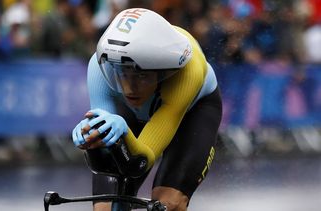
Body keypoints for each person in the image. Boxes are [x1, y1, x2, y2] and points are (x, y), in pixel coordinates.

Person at [72, 8, 222, 211]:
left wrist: (122, 134)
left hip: (193, 113)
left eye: (140, 76)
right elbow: (107, 157)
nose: (129, 88)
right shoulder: (100, 66)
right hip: (131, 114)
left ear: (162, 72)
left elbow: (142, 160)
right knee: (105, 208)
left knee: (168, 203)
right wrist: (91, 140)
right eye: (122, 74)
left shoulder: (186, 73)